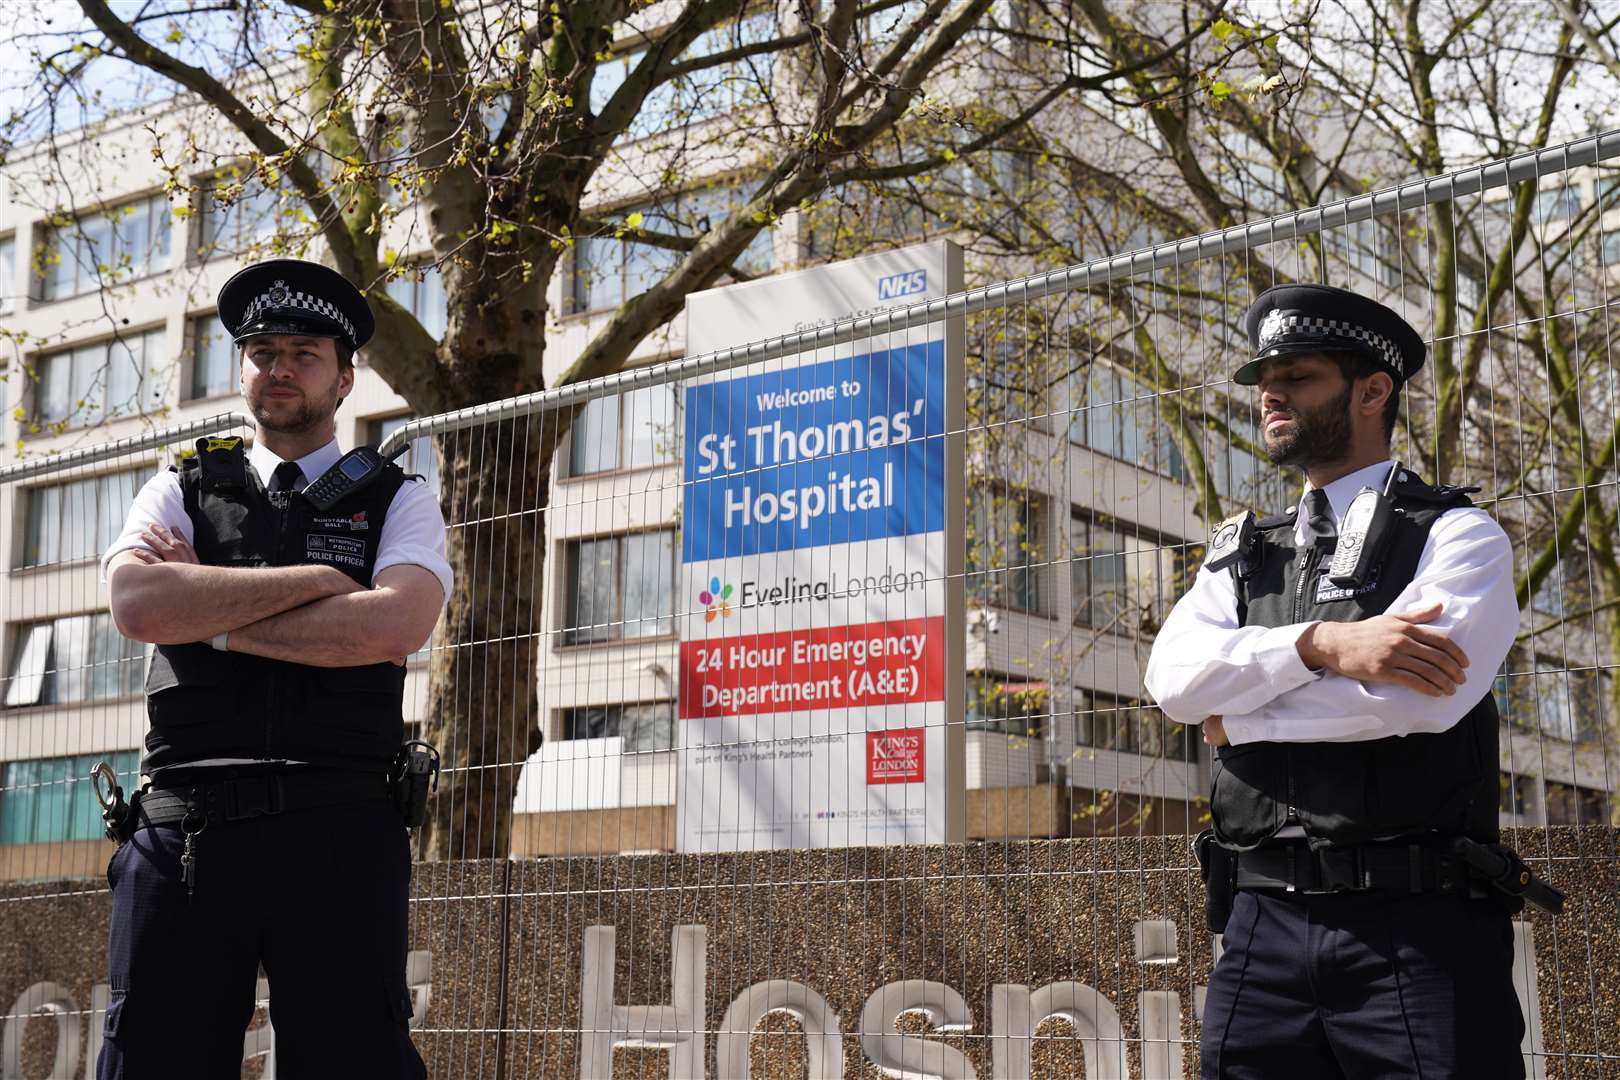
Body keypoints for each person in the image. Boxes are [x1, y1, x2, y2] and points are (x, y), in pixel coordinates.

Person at [1144, 283, 1530, 1079]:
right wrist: (1323, 644)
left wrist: (1237, 719)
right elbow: (1176, 684)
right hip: (1258, 927)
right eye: (1262, 381)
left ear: (1373, 391)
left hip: (1417, 928)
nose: (1269, 395)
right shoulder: (1243, 552)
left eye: (1298, 377)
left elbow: (1417, 702)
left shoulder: (1457, 534)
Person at [99, 258, 449, 1078]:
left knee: (353, 1060)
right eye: (262, 351)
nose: (280, 367)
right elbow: (137, 605)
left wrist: (210, 622)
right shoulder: (179, 487)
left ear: (345, 378)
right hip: (184, 833)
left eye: (303, 352)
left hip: (337, 824)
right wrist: (323, 590)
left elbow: (397, 622)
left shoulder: (399, 498)